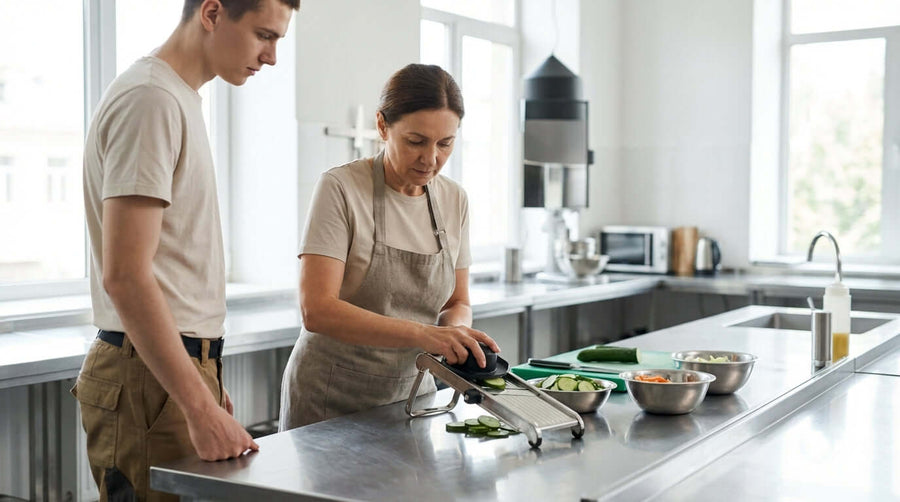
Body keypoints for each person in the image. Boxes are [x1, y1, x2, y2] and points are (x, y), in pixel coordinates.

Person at [74, 0, 298, 500]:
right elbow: (126, 276)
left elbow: (170, 265)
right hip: (143, 375)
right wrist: (197, 403)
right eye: (265, 35)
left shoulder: (178, 97)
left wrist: (204, 379)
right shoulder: (151, 99)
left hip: (167, 366)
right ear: (213, 13)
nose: (271, 57)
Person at [279, 64, 500, 430]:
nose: (430, 159)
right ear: (382, 126)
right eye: (416, 141)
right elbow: (316, 310)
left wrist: (455, 334)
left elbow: (457, 302)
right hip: (330, 400)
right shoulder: (341, 188)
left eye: (445, 144)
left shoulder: (454, 199)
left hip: (413, 397)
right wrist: (425, 335)